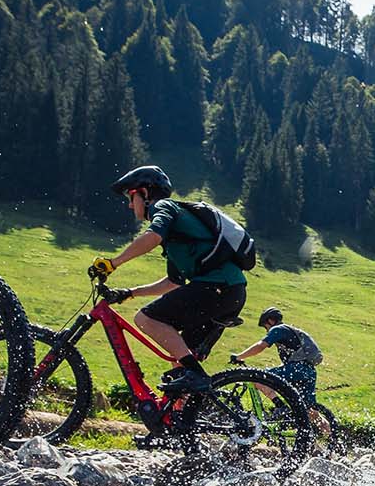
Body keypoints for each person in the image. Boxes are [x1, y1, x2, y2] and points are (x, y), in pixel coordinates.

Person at [89, 165, 251, 395]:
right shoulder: (178, 236)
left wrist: (113, 263)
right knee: (179, 366)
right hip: (228, 292)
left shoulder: (163, 206)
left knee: (146, 319)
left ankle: (196, 376)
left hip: (217, 288)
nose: (128, 204)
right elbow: (173, 282)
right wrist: (129, 293)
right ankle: (181, 423)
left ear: (145, 193)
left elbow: (152, 236)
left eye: (130, 196)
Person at [229, 307, 332, 441]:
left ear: (271, 321)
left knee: (256, 378)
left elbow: (261, 345)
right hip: (309, 372)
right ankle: (333, 439)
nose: (266, 330)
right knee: (311, 412)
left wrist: (239, 357)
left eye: (265, 326)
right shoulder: (290, 331)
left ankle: (280, 406)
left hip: (296, 369)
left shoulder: (278, 329)